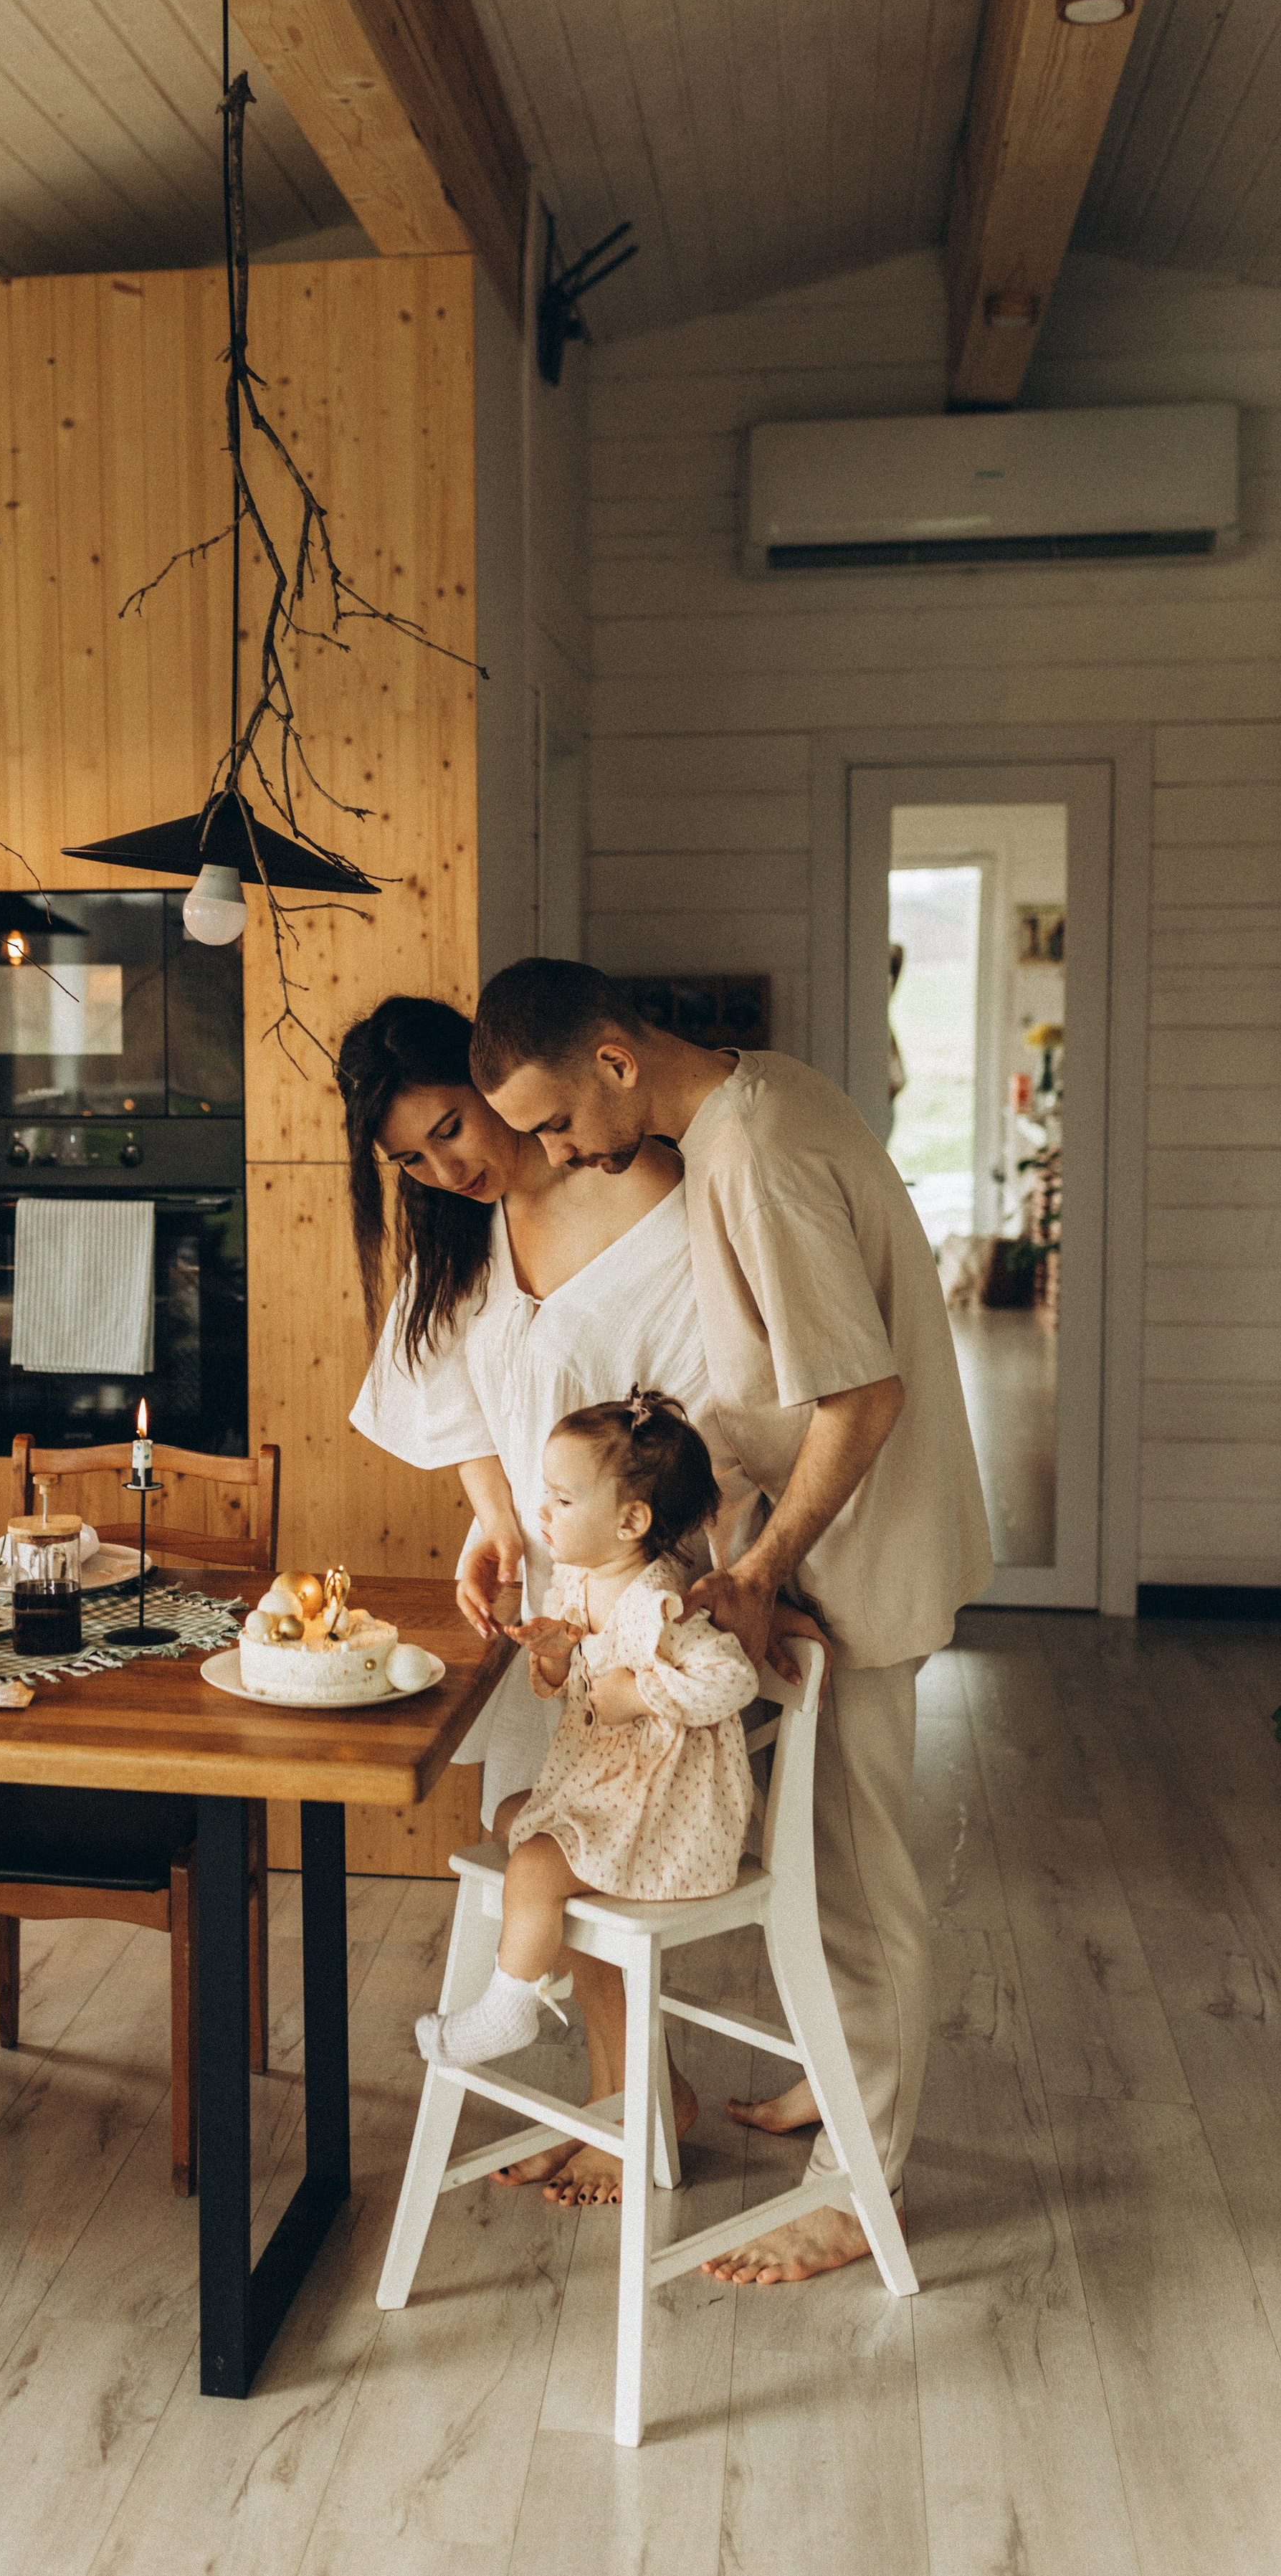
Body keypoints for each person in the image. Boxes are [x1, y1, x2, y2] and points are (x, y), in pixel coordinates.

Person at [470, 958, 992, 2284]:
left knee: (862, 1891)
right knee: (819, 1879)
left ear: (615, 1059)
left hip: (856, 1561)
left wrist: (758, 1571)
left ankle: (852, 2187)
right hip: (827, 1555)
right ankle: (837, 2086)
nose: (552, 1150)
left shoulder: (750, 1151)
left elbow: (858, 1395)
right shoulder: (754, 1107)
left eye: (552, 1119)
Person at [341, 994, 759, 2198]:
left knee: (597, 1851)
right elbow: (459, 1390)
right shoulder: (461, 1235)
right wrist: (489, 1517)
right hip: (552, 1597)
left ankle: (634, 2111)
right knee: (559, 1843)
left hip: (640, 1599)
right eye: (410, 1159)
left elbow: (720, 1414)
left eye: (451, 1129)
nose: (443, 1167)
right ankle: (634, 2100)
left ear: (487, 1078)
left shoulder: (656, 1198)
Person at [417, 1392, 758, 2073]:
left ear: (632, 1520)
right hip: (611, 1791)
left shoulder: (659, 1604)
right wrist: (555, 1656)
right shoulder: (581, 1583)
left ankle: (509, 2006)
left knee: (538, 1860)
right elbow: (581, 1686)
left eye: (563, 1500)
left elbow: (733, 1680)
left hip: (667, 1813)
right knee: (508, 1816)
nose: (543, 1511)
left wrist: (639, 1691)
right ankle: (544, 1960)